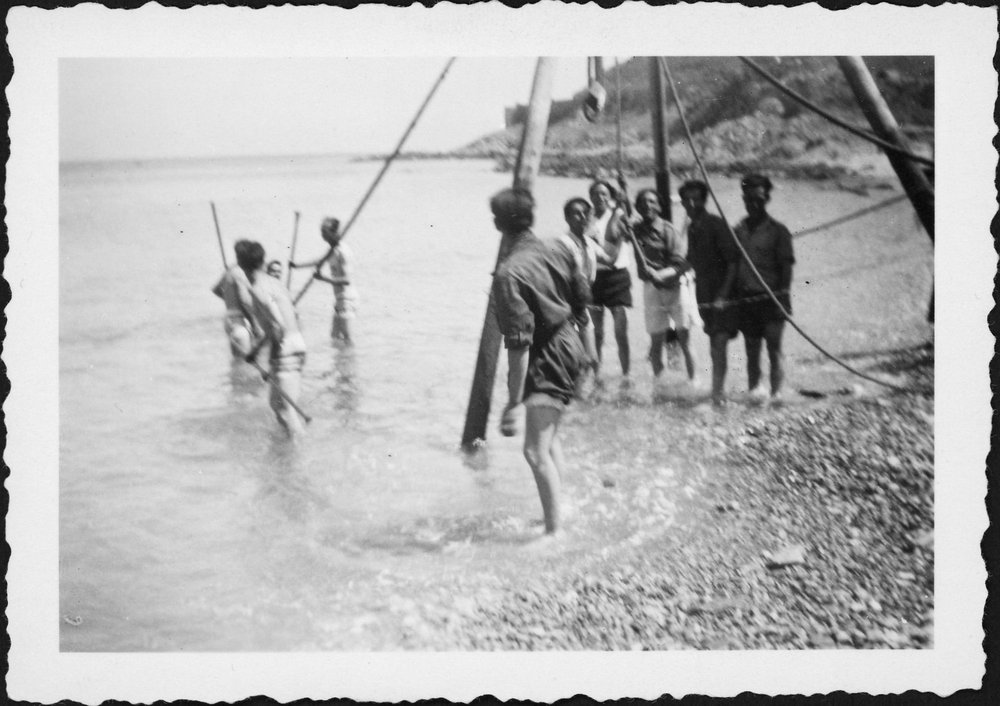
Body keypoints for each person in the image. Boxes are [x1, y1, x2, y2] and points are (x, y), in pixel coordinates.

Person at [491, 187, 591, 537]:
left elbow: (518, 347)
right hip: (569, 345)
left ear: (497, 224)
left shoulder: (508, 274)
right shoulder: (559, 248)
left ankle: (554, 532)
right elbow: (582, 301)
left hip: (546, 356)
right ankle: (559, 512)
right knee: (549, 442)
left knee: (534, 451)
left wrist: (512, 404)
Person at [733, 173, 795, 404]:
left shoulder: (779, 231)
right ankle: (755, 394)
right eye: (749, 199)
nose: (753, 204)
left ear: (767, 198)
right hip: (747, 298)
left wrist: (783, 297)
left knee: (774, 349)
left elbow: (786, 267)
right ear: (743, 199)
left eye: (759, 199)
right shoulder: (738, 229)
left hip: (772, 297)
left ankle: (777, 395)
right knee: (751, 351)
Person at [631, 188, 701, 385]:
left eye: (653, 202)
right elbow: (622, 224)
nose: (648, 206)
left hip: (675, 286)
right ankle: (660, 384)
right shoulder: (635, 229)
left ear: (660, 206)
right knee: (655, 341)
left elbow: (679, 264)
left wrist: (660, 275)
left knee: (684, 337)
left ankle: (694, 382)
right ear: (637, 207)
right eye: (643, 202)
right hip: (651, 289)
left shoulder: (668, 230)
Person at [239, 241, 309, 437]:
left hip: (285, 349)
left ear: (241, 264)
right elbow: (292, 318)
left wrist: (274, 359)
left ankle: (299, 456)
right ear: (263, 262)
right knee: (277, 407)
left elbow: (277, 324)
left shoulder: (257, 288)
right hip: (297, 345)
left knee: (287, 412)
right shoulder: (276, 283)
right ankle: (287, 457)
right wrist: (256, 351)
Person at [680, 179, 741, 406]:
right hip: (704, 293)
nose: (693, 203)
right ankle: (717, 389)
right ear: (683, 203)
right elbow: (691, 259)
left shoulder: (716, 224)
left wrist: (723, 295)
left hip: (722, 293)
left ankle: (718, 393)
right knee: (714, 343)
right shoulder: (693, 227)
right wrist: (666, 274)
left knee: (719, 342)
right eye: (688, 199)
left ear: (705, 200)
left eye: (697, 198)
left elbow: (733, 262)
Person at [586, 178, 632, 383]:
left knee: (620, 331)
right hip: (595, 278)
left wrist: (625, 190)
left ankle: (626, 374)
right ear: (591, 197)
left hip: (617, 277)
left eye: (604, 193)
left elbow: (630, 217)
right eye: (596, 194)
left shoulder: (619, 214)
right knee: (597, 332)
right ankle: (597, 374)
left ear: (610, 196)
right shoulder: (587, 218)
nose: (600, 197)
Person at [290, 217, 357, 344]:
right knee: (335, 338)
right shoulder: (333, 249)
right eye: (322, 232)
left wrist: (323, 278)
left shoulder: (343, 251)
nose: (322, 235)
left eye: (325, 232)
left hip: (347, 299)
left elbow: (346, 280)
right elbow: (319, 261)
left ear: (334, 232)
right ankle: (340, 363)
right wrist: (297, 266)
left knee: (348, 339)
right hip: (339, 300)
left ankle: (351, 362)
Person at [559, 197, 600, 393]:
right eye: (576, 213)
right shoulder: (561, 243)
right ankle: (571, 398)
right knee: (572, 359)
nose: (582, 217)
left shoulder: (589, 243)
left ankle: (584, 398)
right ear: (567, 218)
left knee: (591, 359)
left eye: (586, 214)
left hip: (582, 307)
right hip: (566, 308)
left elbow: (610, 258)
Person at [211, 239, 258, 358]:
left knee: (236, 360)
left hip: (229, 319)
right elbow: (245, 301)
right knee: (246, 362)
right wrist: (254, 324)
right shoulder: (240, 273)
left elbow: (216, 290)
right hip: (240, 321)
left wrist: (230, 300)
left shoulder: (230, 270)